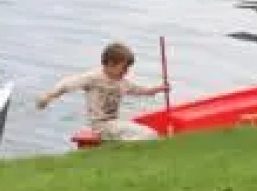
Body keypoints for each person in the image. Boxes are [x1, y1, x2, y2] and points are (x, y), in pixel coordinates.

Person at [36, 42, 168, 142]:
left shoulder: (121, 81)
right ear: (110, 64)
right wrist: (49, 96)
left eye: (127, 68)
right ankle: (122, 150)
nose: (126, 72)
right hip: (101, 126)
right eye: (123, 68)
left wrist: (157, 89)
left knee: (145, 133)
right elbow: (67, 84)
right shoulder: (94, 78)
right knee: (150, 135)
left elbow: (139, 90)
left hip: (113, 123)